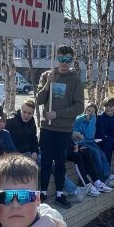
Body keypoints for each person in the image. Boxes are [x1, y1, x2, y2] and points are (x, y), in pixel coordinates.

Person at [36, 45, 84, 209]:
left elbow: (79, 107)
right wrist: (47, 85)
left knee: (61, 163)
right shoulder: (47, 75)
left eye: (68, 59)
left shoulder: (75, 79)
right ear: (57, 58)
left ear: (71, 60)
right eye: (61, 59)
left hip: (64, 130)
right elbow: (38, 100)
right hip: (47, 129)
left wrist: (58, 114)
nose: (64, 63)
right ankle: (42, 193)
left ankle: (59, 194)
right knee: (46, 162)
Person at [74, 103, 114, 189]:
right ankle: (103, 179)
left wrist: (92, 120)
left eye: (93, 112)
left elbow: (89, 135)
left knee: (102, 154)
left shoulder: (94, 120)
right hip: (81, 142)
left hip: (90, 141)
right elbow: (77, 124)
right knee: (96, 153)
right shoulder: (79, 118)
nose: (90, 113)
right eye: (88, 110)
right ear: (85, 110)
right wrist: (85, 118)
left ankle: (108, 176)